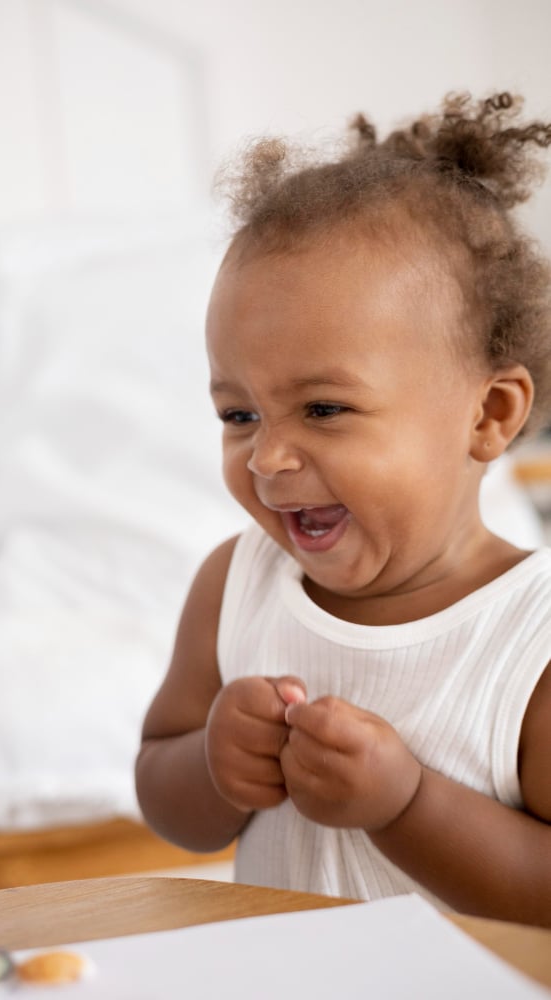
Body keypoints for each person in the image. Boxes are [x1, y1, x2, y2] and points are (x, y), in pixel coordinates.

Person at [135, 92, 551, 927]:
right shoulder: (236, 585)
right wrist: (213, 765)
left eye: (322, 410)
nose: (267, 457)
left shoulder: (530, 642)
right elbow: (160, 791)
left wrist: (405, 806)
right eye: (238, 413)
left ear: (488, 416)